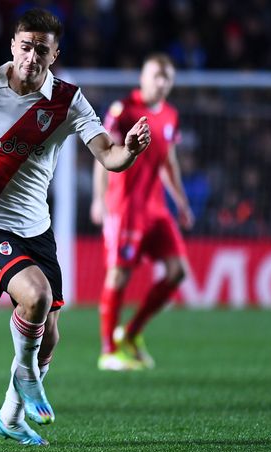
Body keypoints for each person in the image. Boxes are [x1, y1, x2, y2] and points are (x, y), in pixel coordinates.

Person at [0, 9, 150, 446]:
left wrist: (130, 151)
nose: (32, 56)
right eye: (25, 46)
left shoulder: (68, 100)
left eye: (42, 48)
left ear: (54, 53)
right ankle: (25, 375)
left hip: (36, 229)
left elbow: (110, 156)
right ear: (12, 46)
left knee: (50, 339)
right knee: (36, 296)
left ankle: (10, 416)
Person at [91, 53, 193, 371]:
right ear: (143, 78)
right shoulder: (124, 111)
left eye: (167, 78)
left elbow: (168, 162)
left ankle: (131, 333)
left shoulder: (170, 116)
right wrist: (99, 199)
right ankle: (108, 351)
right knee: (119, 274)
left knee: (177, 272)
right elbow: (104, 154)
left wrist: (181, 201)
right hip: (126, 206)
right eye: (156, 76)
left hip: (156, 208)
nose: (161, 83)